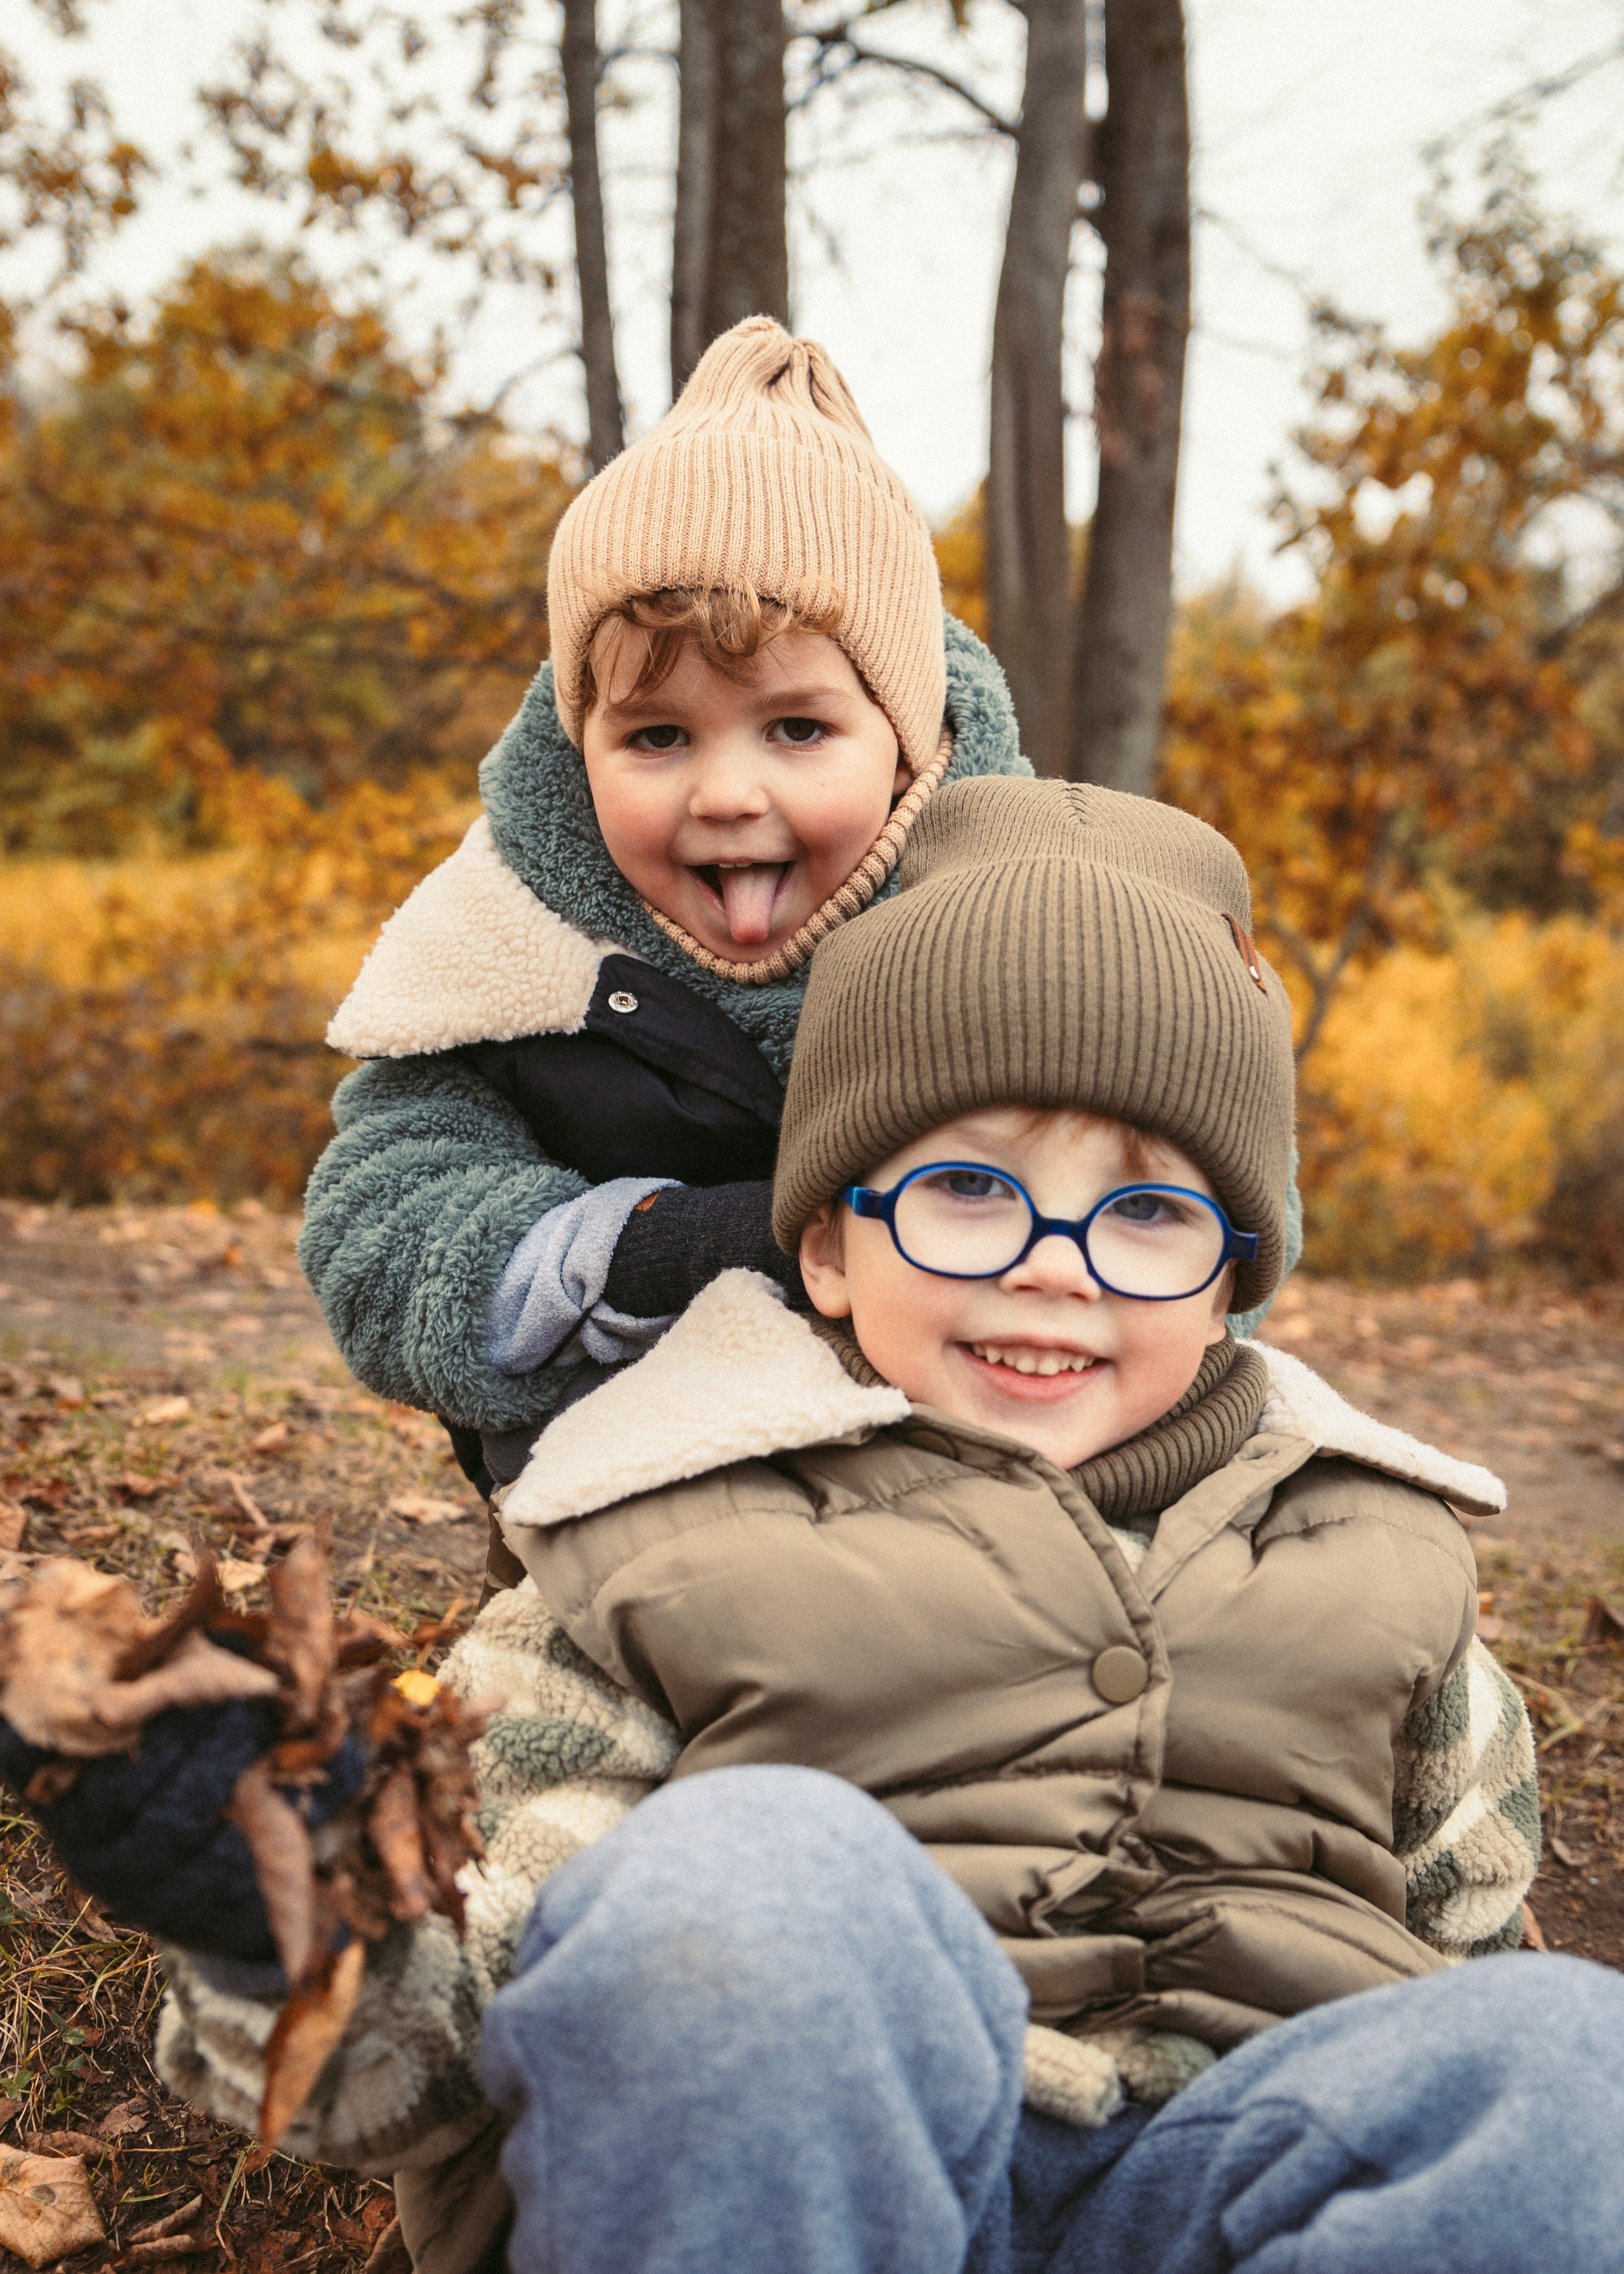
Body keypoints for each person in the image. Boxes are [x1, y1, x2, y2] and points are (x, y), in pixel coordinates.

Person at [29, 776, 1618, 2274]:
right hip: (800, 2170)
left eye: (1146, 1211)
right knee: (748, 1874)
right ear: (832, 1246)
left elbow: (1455, 2000)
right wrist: (281, 1912)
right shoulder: (661, 1523)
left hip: (1232, 2186)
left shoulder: (1379, 1548)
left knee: (1566, 2055)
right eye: (968, 1191)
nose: (1052, 1262)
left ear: (1229, 1286)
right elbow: (447, 2055)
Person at [296, 313, 1044, 1595]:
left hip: (976, 1539)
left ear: (909, 741)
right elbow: (378, 1229)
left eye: (796, 728)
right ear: (580, 741)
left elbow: (1220, 1215)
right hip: (613, 1527)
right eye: (657, 737)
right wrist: (662, 1249)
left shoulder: (1027, 924)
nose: (726, 792)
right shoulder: (508, 945)